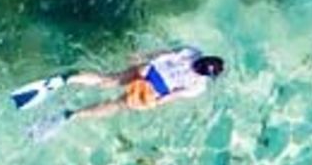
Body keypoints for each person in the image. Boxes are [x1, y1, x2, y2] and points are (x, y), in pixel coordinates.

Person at [15, 45, 226, 139]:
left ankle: (66, 79)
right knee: (116, 104)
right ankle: (71, 115)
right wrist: (151, 101)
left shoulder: (194, 54)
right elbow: (171, 94)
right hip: (153, 81)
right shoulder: (198, 83)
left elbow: (166, 54)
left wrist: (143, 58)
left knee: (109, 80)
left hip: (150, 72)